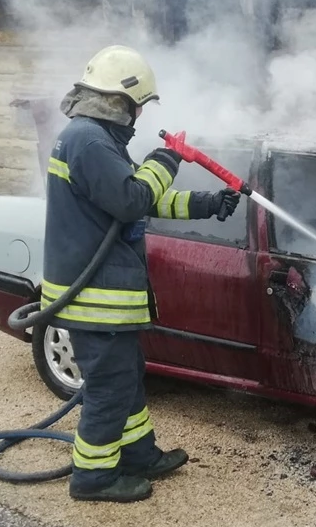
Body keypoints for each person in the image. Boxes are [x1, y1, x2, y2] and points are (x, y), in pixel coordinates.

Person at [44, 45, 239, 503]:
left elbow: (137, 199)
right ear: (123, 100)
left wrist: (207, 206)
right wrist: (167, 160)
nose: (139, 115)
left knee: (126, 377)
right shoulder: (89, 141)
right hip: (95, 293)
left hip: (103, 290)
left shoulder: (96, 140)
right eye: (139, 105)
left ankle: (138, 455)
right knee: (111, 388)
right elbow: (133, 199)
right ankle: (93, 479)